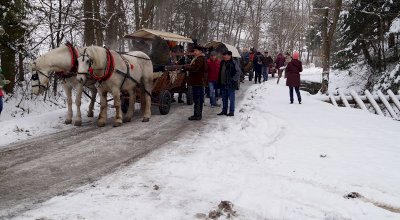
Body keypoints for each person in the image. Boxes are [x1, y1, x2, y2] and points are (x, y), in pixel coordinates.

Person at [185, 46, 207, 121]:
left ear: (200, 51)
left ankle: (197, 115)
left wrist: (187, 67)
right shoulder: (199, 58)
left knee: (197, 99)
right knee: (198, 98)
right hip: (198, 81)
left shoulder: (200, 59)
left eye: (196, 51)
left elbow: (195, 69)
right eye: (194, 51)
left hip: (198, 82)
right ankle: (197, 114)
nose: (194, 52)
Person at [218, 51, 241, 117]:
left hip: (230, 84)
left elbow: (238, 72)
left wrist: (233, 79)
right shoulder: (222, 62)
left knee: (231, 99)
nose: (224, 56)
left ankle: (231, 112)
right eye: (224, 55)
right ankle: (224, 111)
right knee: (224, 98)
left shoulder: (233, 62)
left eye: (226, 55)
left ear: (230, 56)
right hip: (223, 83)